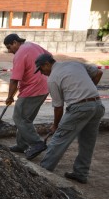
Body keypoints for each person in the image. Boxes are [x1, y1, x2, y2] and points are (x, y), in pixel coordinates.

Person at [34, 53, 105, 184]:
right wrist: (88, 91)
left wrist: (55, 126)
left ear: (47, 64)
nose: (42, 73)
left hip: (79, 108)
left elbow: (58, 107)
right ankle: (81, 173)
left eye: (41, 70)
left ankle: (41, 173)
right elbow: (98, 73)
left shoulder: (53, 78)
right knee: (87, 142)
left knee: (59, 139)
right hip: (97, 105)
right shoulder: (74, 63)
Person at [3, 33, 51, 160]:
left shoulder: (19, 54)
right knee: (26, 119)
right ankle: (22, 145)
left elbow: (14, 80)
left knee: (19, 118)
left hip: (32, 89)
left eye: (9, 47)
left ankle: (37, 143)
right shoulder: (33, 45)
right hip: (45, 86)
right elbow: (50, 58)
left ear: (15, 42)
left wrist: (9, 97)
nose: (9, 51)